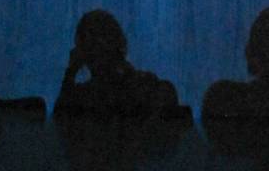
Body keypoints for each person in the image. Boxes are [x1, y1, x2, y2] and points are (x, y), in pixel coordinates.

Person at [54, 9, 186, 118]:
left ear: (82, 53)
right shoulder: (151, 86)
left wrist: (71, 72)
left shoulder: (82, 98)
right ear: (120, 41)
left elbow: (60, 120)